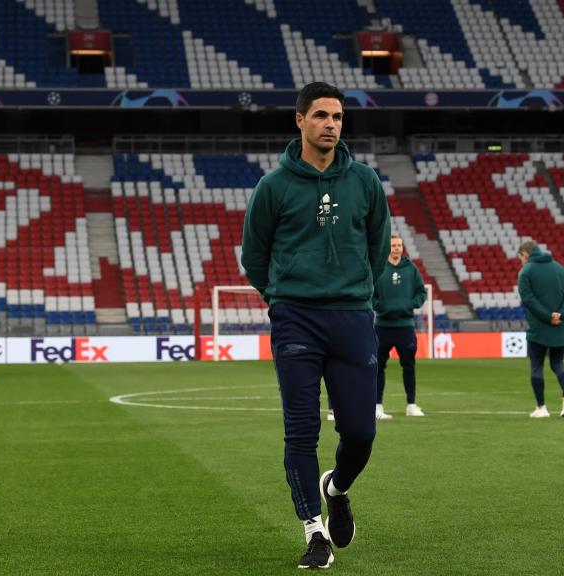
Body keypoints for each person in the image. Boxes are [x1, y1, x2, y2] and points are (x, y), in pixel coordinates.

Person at [241, 81, 391, 569]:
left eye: (338, 117)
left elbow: (376, 245)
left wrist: (355, 292)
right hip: (296, 321)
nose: (331, 124)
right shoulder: (274, 186)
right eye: (321, 115)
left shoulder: (365, 181)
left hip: (351, 318)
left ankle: (338, 488)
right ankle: (314, 531)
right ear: (300, 121)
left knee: (360, 432)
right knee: (301, 432)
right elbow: (255, 255)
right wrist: (281, 299)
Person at [517, 241, 564, 418]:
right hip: (561, 326)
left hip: (539, 328)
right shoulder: (562, 269)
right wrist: (561, 314)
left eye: (520, 257)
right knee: (558, 364)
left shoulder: (526, 272)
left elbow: (528, 299)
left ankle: (541, 408)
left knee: (537, 366)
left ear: (525, 254)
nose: (520, 261)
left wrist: (547, 316)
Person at [372, 234, 427, 419]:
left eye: (399, 245)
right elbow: (370, 291)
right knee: (378, 367)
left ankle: (411, 405)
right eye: (393, 245)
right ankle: (377, 406)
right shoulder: (379, 268)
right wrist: (380, 306)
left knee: (409, 366)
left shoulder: (411, 269)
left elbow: (421, 292)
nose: (396, 248)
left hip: (405, 325)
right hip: (383, 326)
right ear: (388, 248)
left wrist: (411, 304)